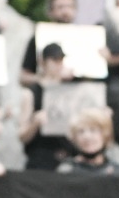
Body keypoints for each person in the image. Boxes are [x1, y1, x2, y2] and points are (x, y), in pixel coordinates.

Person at [23, 43, 78, 171]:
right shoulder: (31, 93)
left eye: (60, 60)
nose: (58, 65)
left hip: (68, 155)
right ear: (43, 62)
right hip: (41, 157)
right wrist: (35, 123)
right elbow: (22, 136)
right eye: (54, 60)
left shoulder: (69, 91)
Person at [20, 0, 85, 87]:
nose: (65, 11)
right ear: (50, 11)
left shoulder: (87, 39)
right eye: (60, 7)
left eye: (70, 6)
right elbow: (23, 77)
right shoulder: (39, 37)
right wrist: (45, 79)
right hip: (48, 91)